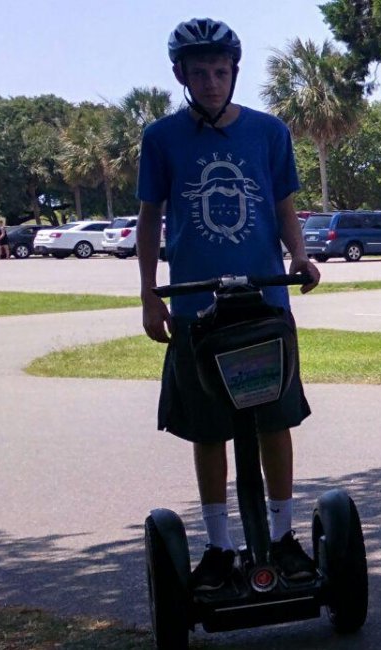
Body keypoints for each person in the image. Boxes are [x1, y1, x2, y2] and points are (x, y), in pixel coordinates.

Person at [135, 17, 323, 597]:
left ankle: (283, 538)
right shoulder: (161, 138)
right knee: (208, 427)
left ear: (234, 72)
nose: (212, 82)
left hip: (263, 303)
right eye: (200, 73)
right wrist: (149, 293)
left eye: (220, 71)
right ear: (181, 75)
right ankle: (218, 547)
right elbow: (149, 219)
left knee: (274, 421)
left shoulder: (268, 132)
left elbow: (285, 206)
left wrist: (300, 255)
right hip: (196, 308)